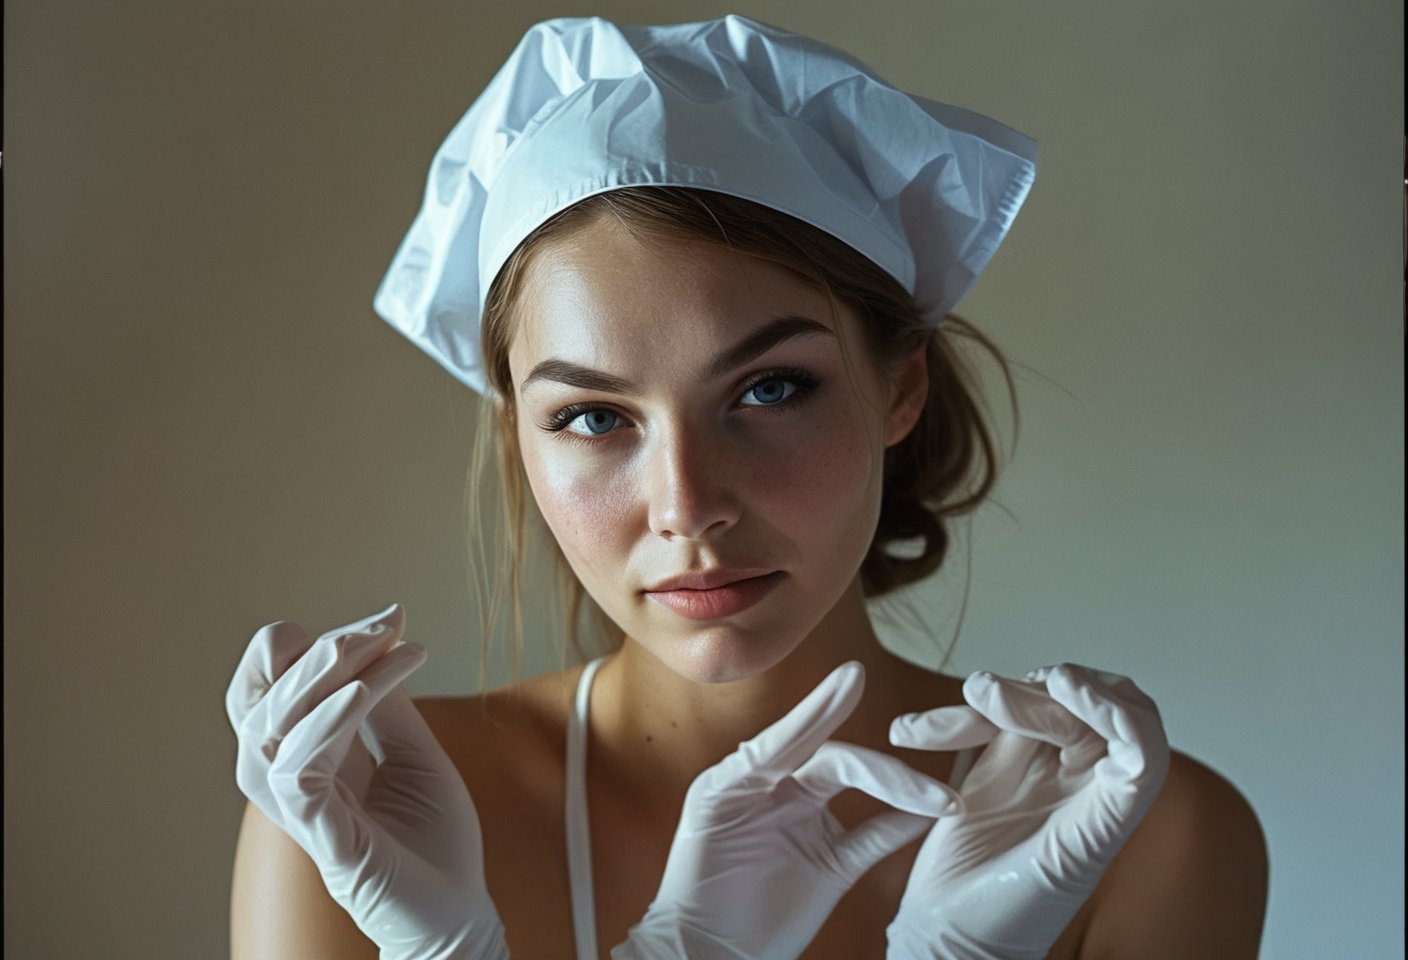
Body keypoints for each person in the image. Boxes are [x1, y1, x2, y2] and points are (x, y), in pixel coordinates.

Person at [226, 14, 1269, 960]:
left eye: (770, 389)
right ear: (520, 441)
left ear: (899, 386)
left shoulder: (1148, 833)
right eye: (593, 417)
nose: (687, 505)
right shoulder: (350, 820)